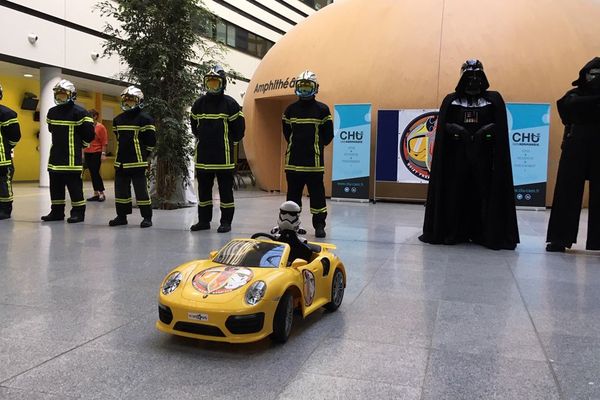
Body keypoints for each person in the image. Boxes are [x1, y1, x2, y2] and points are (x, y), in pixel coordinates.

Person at [419, 60, 519, 250]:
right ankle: (454, 231)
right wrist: (456, 129)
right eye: (469, 76)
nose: (473, 80)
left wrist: (485, 131)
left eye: (477, 76)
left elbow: (500, 126)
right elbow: (443, 130)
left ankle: (485, 233)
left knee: (485, 193)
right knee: (455, 191)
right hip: (457, 156)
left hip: (485, 156)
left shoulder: (493, 100)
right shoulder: (451, 100)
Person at [546, 57, 600, 252]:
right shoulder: (573, 95)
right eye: (591, 74)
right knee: (567, 190)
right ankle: (560, 238)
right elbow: (568, 109)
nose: (595, 79)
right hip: (576, 144)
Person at [190, 65, 245, 233]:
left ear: (223, 83)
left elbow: (239, 131)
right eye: (210, 82)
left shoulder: (231, 104)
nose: (212, 86)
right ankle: (203, 221)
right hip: (203, 158)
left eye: (216, 83)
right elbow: (195, 129)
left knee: (225, 193)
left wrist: (227, 143)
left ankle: (226, 222)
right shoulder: (198, 104)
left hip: (224, 159)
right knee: (204, 193)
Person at [282, 70, 333, 238]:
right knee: (292, 197)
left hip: (314, 164)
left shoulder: (323, 110)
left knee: (317, 197)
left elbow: (328, 135)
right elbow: (287, 134)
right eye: (301, 87)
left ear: (315, 88)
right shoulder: (289, 110)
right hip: (293, 163)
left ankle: (319, 226)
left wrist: (316, 147)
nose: (304, 91)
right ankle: (291, 226)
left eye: (307, 87)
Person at [42, 79, 95, 223]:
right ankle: (56, 212)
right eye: (58, 95)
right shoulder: (51, 112)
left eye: (63, 95)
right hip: (55, 159)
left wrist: (80, 146)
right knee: (55, 187)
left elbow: (89, 135)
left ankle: (78, 213)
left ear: (72, 95)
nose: (60, 98)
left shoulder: (80, 113)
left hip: (72, 159)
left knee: (75, 188)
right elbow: (52, 130)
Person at [109, 86, 156, 228]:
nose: (128, 104)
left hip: (138, 162)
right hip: (120, 162)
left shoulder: (145, 119)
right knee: (121, 191)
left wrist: (144, 156)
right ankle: (121, 216)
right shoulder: (117, 120)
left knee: (142, 191)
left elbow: (151, 141)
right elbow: (118, 138)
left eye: (131, 101)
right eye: (126, 101)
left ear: (139, 102)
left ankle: (147, 217)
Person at [0, 83, 21, 220]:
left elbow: (15, 136)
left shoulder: (7, 114)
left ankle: (5, 209)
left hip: (2, 159)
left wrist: (6, 148)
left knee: (3, 185)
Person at [84, 109, 108, 202]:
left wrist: (103, 153)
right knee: (92, 173)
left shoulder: (100, 127)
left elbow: (104, 142)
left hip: (96, 152)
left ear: (95, 116)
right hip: (87, 152)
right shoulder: (87, 127)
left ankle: (102, 193)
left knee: (95, 172)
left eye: (91, 116)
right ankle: (96, 193)